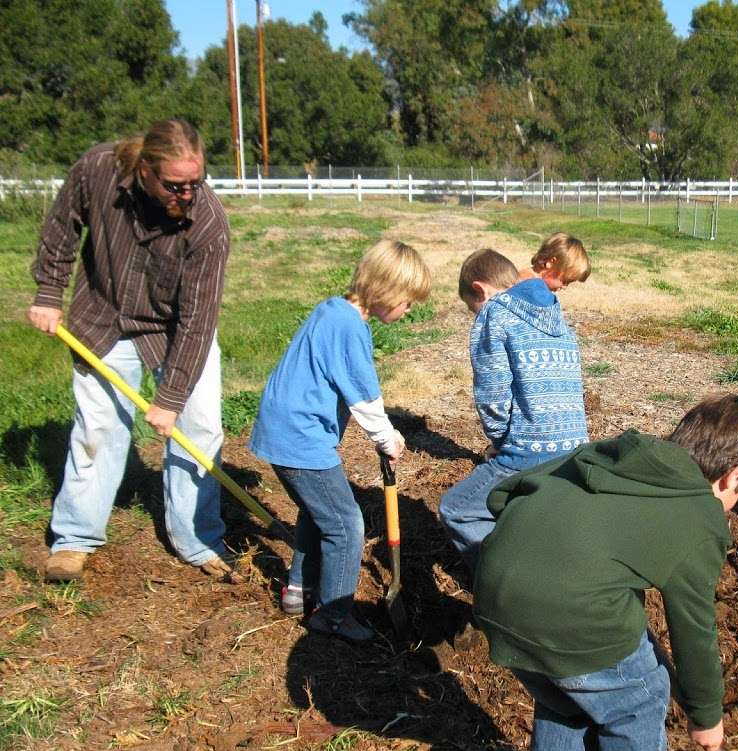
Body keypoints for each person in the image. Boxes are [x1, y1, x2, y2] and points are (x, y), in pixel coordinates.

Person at [473, 393, 738, 751]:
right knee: (640, 697)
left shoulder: (618, 452)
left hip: (495, 589)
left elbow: (504, 493)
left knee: (568, 697)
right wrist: (707, 717)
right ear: (736, 474)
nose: (735, 504)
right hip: (567, 615)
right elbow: (694, 629)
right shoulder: (700, 517)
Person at [29, 119, 233, 583]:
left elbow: (197, 322)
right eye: (175, 185)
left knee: (199, 428)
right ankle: (75, 538)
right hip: (102, 318)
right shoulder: (98, 169)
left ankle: (197, 538)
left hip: (174, 331)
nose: (187, 195)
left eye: (195, 183)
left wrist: (171, 398)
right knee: (97, 428)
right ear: (144, 169)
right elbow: (62, 225)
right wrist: (48, 293)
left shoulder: (208, 225)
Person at [249, 240, 431, 640]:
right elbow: (362, 393)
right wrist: (386, 437)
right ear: (387, 291)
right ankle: (332, 615)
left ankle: (298, 590)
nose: (409, 310)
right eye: (408, 301)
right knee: (346, 524)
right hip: (301, 436)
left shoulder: (330, 309)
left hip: (284, 430)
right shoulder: (349, 326)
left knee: (318, 512)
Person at [439, 248, 589, 575]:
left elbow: (492, 397)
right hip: (576, 450)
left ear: (481, 289)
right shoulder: (556, 317)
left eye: (471, 307)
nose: (474, 314)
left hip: (530, 449)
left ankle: (507, 584)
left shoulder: (494, 314)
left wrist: (499, 442)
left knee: (457, 509)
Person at [517, 232, 591, 292]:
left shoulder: (532, 282)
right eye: (564, 281)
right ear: (551, 262)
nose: (564, 287)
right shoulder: (529, 286)